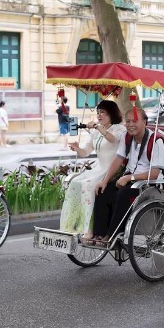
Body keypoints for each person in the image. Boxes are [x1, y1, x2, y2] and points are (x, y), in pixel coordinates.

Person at [90, 106, 164, 244]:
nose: (130, 125)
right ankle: (99, 234)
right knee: (102, 190)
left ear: (144, 122)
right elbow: (118, 159)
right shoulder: (127, 136)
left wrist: (130, 178)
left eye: (134, 121)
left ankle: (113, 235)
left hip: (147, 183)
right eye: (128, 121)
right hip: (128, 178)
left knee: (122, 194)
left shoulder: (156, 141)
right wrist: (105, 181)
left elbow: (154, 173)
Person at [59, 100, 127, 237]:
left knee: (88, 186)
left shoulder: (119, 129)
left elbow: (112, 139)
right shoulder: (95, 132)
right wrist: (77, 148)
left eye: (103, 112)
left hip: (112, 169)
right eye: (98, 112)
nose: (99, 115)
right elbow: (85, 152)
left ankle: (89, 229)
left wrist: (97, 127)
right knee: (75, 183)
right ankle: (74, 224)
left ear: (111, 114)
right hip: (98, 168)